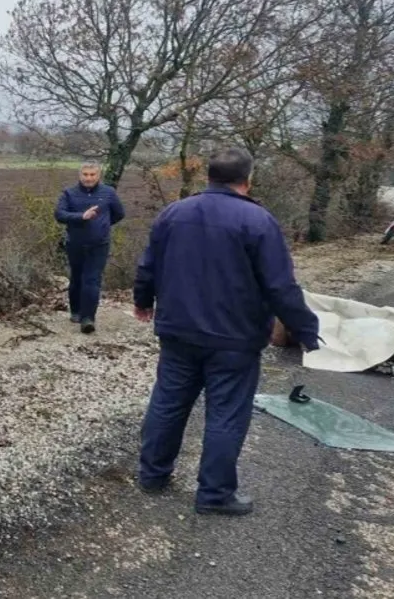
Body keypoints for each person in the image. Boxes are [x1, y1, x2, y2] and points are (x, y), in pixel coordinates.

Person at [132, 147, 320, 516]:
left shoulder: (174, 212)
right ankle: (214, 494)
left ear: (209, 177)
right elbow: (280, 286)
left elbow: (148, 265)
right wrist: (306, 330)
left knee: (167, 403)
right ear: (248, 179)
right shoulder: (258, 221)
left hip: (178, 331)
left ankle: (152, 475)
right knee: (226, 414)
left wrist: (143, 301)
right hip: (235, 338)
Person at [54, 161, 125, 333]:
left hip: (99, 244)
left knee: (92, 279)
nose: (89, 178)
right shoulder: (69, 193)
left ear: (98, 175)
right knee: (77, 277)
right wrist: (81, 217)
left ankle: (88, 319)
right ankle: (76, 311)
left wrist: (103, 225)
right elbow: (59, 214)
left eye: (92, 174)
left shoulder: (108, 192)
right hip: (75, 243)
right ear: (80, 175)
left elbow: (119, 214)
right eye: (85, 174)